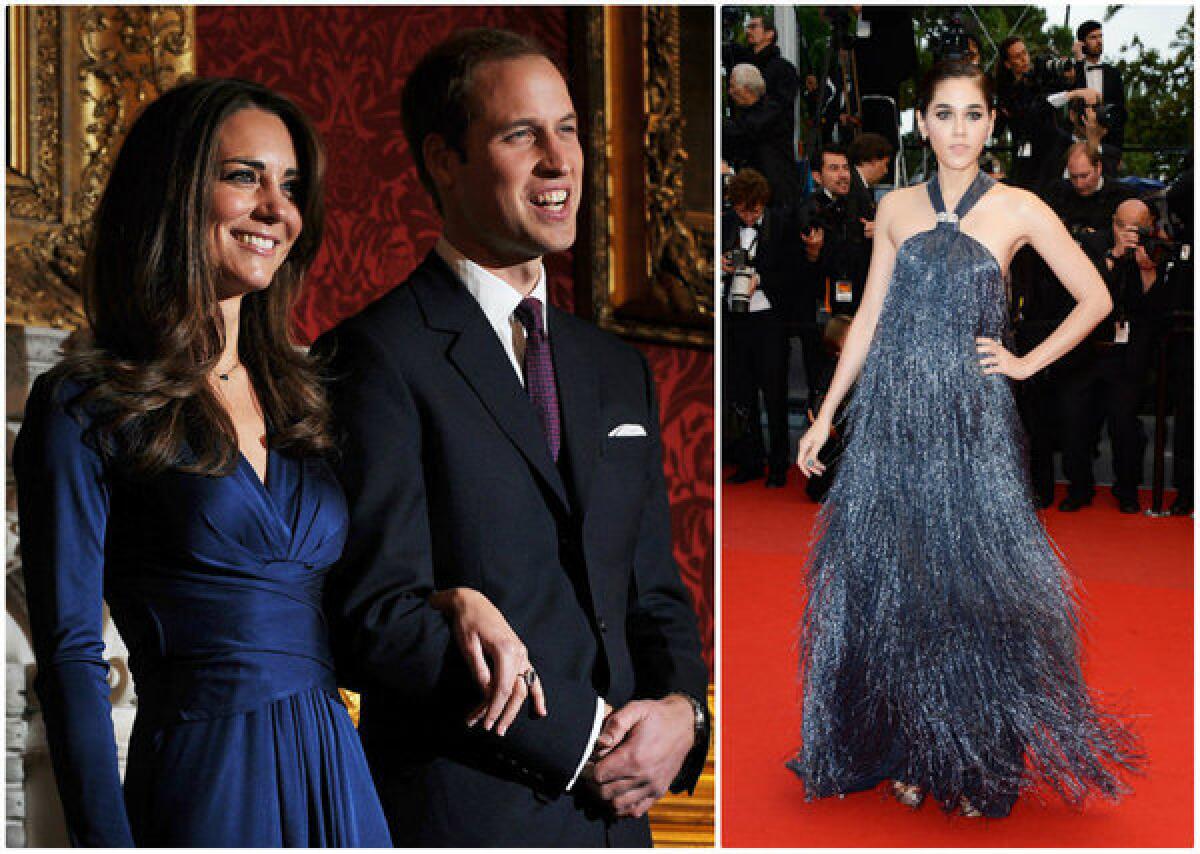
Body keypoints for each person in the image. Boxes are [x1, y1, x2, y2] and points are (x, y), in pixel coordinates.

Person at [313, 29, 710, 847]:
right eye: (520, 134)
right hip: (469, 810)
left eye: (567, 129)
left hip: (620, 820)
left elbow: (652, 592)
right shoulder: (374, 355)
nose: (559, 160)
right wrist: (574, 745)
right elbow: (376, 618)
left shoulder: (613, 367)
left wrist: (684, 714)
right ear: (445, 160)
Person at [13, 78, 395, 846]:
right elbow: (71, 657)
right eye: (243, 176)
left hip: (338, 773)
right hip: (206, 779)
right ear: (175, 194)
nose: (276, 210)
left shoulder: (309, 399)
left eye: (289, 186)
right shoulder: (84, 402)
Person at [789, 60, 1140, 817]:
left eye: (972, 115)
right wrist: (824, 414)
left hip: (972, 425)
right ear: (922, 123)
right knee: (902, 590)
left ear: (991, 123)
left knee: (975, 592)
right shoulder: (893, 207)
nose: (958, 129)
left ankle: (975, 757)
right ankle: (917, 746)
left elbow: (1096, 297)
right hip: (891, 424)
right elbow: (870, 319)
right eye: (943, 114)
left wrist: (1021, 363)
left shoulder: (1019, 208)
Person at [1058, 199, 1173, 513]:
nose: (1132, 233)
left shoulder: (1156, 248)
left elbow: (1157, 311)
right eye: (1125, 227)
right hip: (1087, 351)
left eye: (1139, 227)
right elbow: (1079, 291)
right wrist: (1114, 256)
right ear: (1114, 223)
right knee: (1075, 423)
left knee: (1124, 426)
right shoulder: (1091, 245)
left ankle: (1127, 490)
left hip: (1126, 357)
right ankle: (1078, 489)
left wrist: (1148, 272)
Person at [722, 169, 801, 488]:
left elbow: (795, 272)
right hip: (735, 319)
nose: (749, 216)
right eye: (742, 210)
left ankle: (779, 464)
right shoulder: (725, 224)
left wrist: (761, 279)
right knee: (741, 394)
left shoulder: (781, 225)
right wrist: (720, 267)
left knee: (775, 393)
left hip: (770, 320)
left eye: (754, 210)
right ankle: (749, 460)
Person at [724, 63, 802, 207]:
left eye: (732, 86)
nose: (730, 91)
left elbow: (744, 130)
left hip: (776, 197)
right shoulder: (748, 115)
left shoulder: (771, 112)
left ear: (746, 89)